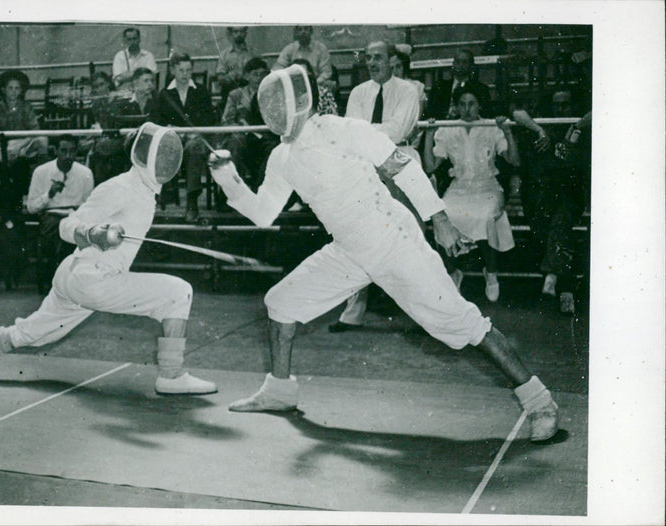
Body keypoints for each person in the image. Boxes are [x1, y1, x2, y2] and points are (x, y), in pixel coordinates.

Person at [208, 65, 557, 442]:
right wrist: (229, 177)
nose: (273, 113)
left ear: (300, 102)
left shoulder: (344, 130)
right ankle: (279, 391)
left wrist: (439, 218)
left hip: (392, 238)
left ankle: (540, 402)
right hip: (349, 250)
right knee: (281, 303)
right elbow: (263, 213)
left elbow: (401, 166)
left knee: (460, 322)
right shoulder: (281, 157)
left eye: (278, 104)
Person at [0, 123, 217, 396]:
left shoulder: (145, 191)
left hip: (75, 280)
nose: (168, 162)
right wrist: (95, 233)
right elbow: (67, 225)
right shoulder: (121, 187)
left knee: (30, 334)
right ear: (145, 157)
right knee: (179, 292)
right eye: (163, 154)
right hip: (92, 279)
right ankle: (171, 375)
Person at [329, 40, 425, 332]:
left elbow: (398, 131)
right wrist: (365, 135)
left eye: (378, 57)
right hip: (365, 167)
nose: (372, 63)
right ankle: (353, 312)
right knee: (358, 236)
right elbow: (350, 134)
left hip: (400, 161)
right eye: (368, 58)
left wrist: (364, 132)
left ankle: (423, 314)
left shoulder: (409, 90)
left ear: (392, 61)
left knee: (409, 239)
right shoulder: (358, 93)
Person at [423, 86, 520, 302]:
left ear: (480, 105)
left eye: (472, 104)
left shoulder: (491, 128)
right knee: (442, 216)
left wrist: (507, 132)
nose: (467, 109)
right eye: (462, 104)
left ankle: (491, 274)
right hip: (459, 189)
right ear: (456, 107)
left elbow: (514, 160)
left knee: (484, 216)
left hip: (488, 188)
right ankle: (453, 272)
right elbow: (430, 167)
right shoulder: (447, 129)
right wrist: (429, 136)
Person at [512, 89, 591, 315]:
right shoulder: (548, 125)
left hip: (571, 192)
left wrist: (578, 126)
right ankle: (560, 281)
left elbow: (602, 112)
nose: (561, 109)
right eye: (557, 104)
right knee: (550, 224)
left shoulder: (578, 125)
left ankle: (558, 281)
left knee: (560, 222)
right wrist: (540, 131)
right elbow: (517, 113)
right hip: (545, 193)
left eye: (565, 104)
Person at [150, 52, 216, 223]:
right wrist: (170, 129)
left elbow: (210, 119)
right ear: (172, 70)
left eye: (188, 70)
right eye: (181, 70)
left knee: (194, 149)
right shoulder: (164, 94)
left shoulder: (201, 91)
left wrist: (197, 130)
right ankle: (166, 194)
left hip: (197, 138)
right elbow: (158, 121)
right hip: (174, 139)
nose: (185, 74)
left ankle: (192, 201)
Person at [26, 134, 94, 292]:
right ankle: (56, 282)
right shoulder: (41, 172)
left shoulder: (85, 173)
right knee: (54, 231)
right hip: (50, 215)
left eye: (72, 151)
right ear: (55, 150)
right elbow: (31, 207)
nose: (68, 156)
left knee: (74, 231)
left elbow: (88, 206)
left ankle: (70, 283)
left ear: (77, 152)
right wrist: (48, 195)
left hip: (75, 214)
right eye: (63, 151)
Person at [218, 57, 269, 210]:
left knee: (273, 149)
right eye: (255, 74)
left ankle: (260, 195)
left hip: (263, 138)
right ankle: (231, 194)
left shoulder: (271, 94)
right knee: (236, 143)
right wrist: (242, 127)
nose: (259, 79)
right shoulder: (236, 95)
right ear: (246, 76)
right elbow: (226, 121)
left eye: (262, 74)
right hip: (242, 137)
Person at [426, 49, 491, 120]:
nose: (461, 65)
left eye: (465, 62)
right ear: (453, 64)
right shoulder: (439, 87)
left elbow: (485, 115)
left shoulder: (482, 89)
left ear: (472, 66)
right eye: (458, 62)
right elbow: (430, 113)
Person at [215, 26, 255, 109]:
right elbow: (220, 78)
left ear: (245, 33)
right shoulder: (224, 55)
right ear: (231, 34)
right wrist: (232, 76)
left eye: (241, 31)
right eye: (235, 32)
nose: (239, 34)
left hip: (249, 91)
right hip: (230, 90)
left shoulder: (253, 53)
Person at [112, 27, 157, 91]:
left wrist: (128, 75)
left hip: (145, 91)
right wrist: (140, 74)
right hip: (125, 92)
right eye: (129, 39)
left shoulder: (148, 56)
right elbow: (118, 79)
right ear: (125, 41)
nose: (132, 42)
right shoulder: (119, 56)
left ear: (139, 39)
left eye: (134, 38)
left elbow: (151, 76)